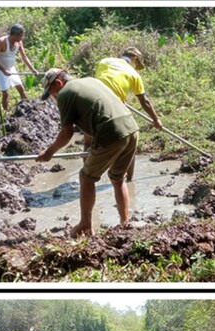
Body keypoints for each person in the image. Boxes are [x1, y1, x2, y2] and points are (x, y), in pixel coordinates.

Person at [36, 68, 140, 235]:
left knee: (86, 177)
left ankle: (85, 224)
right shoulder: (91, 81)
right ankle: (125, 223)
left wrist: (49, 152)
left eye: (52, 93)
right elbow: (96, 114)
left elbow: (66, 133)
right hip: (131, 127)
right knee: (118, 178)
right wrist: (91, 147)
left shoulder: (65, 94)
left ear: (58, 83)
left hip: (111, 131)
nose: (53, 97)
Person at [94, 47, 163, 182]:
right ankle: (129, 180)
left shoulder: (104, 61)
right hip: (113, 107)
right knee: (131, 140)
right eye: (137, 64)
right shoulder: (133, 73)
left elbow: (103, 82)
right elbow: (144, 101)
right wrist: (156, 119)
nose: (137, 67)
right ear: (135, 59)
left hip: (93, 103)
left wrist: (119, 98)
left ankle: (89, 176)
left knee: (89, 141)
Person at [0, 23, 39, 110]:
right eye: (20, 36)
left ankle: (28, 109)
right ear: (14, 35)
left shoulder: (19, 42)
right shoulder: (2, 41)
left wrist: (33, 69)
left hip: (11, 67)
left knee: (21, 89)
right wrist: (3, 70)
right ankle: (6, 111)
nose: (22, 38)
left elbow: (24, 57)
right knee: (5, 93)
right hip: (0, 69)